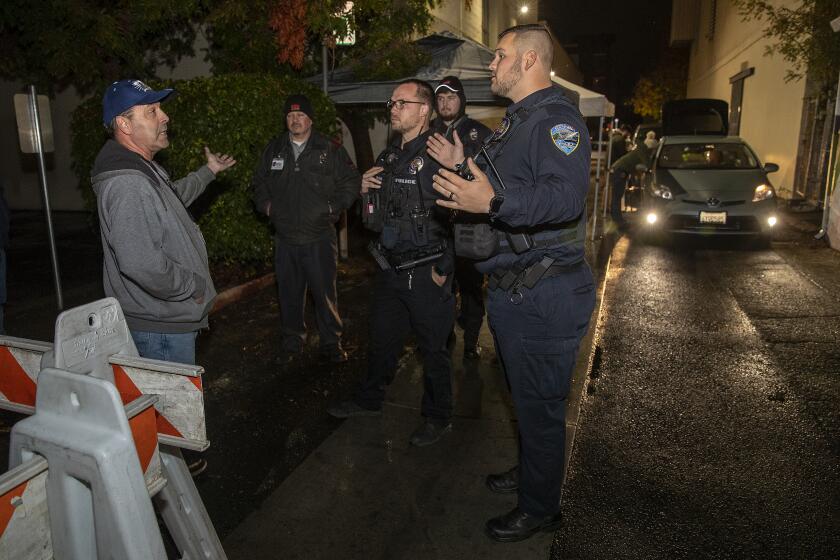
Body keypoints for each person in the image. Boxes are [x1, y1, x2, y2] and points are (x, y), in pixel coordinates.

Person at [430, 24, 596, 542]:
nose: (491, 65)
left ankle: (541, 506)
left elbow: (564, 198)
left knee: (541, 408)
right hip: (515, 289)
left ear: (528, 60)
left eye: (498, 56)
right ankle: (532, 475)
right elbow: (507, 179)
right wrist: (463, 166)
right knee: (524, 399)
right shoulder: (518, 121)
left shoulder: (556, 121)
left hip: (544, 293)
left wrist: (493, 204)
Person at [327, 79, 456, 448]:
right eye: (392, 102)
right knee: (382, 341)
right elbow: (372, 223)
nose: (394, 108)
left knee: (434, 350)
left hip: (426, 270)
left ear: (424, 110)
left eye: (403, 102)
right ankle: (369, 399)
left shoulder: (439, 154)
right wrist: (366, 195)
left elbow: (459, 215)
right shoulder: (387, 158)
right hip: (389, 270)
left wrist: (444, 269)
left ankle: (438, 416)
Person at [92, 79, 236, 366]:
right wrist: (191, 286)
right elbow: (141, 264)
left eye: (160, 109)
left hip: (162, 321)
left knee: (166, 412)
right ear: (124, 124)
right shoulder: (128, 183)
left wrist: (208, 171)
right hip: (160, 329)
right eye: (152, 111)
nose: (164, 116)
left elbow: (173, 198)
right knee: (169, 412)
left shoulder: (141, 168)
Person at [252, 94, 360, 363]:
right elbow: (259, 182)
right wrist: (267, 207)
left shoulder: (329, 148)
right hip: (286, 237)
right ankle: (292, 341)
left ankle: (331, 343)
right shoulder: (275, 148)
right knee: (288, 293)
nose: (295, 120)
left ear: (310, 119)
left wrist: (333, 208)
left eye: (300, 115)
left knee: (324, 293)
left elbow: (351, 181)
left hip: (319, 236)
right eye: (290, 116)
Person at [428, 76, 492, 361]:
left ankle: (471, 341)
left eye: (451, 97)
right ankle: (443, 336)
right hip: (438, 221)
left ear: (461, 100)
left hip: (470, 224)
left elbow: (490, 176)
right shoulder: (429, 132)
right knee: (440, 283)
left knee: (471, 288)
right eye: (440, 99)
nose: (445, 103)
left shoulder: (478, 132)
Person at [610, 130, 658, 230]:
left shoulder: (641, 148)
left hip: (620, 170)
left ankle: (617, 219)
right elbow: (647, 164)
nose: (653, 152)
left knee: (617, 196)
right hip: (620, 171)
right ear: (651, 148)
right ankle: (617, 221)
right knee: (617, 196)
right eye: (653, 150)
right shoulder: (643, 151)